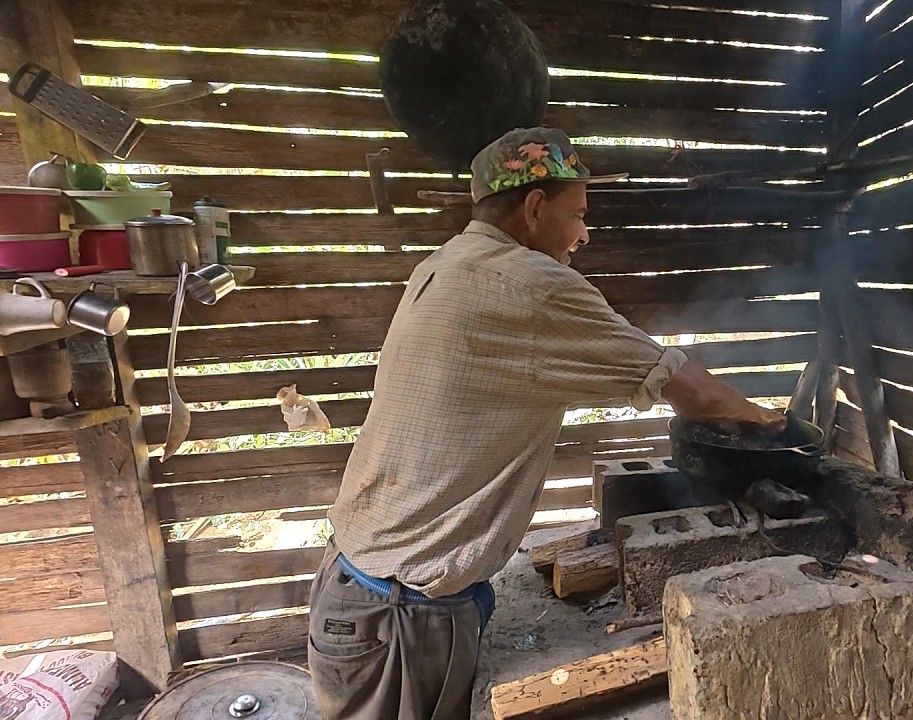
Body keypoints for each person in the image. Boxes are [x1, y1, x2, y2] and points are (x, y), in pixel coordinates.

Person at [308, 127, 785, 719]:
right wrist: (765, 419)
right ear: (535, 207)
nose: (585, 234)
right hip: (401, 616)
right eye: (579, 213)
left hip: (360, 583)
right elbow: (692, 390)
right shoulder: (529, 286)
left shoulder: (445, 264)